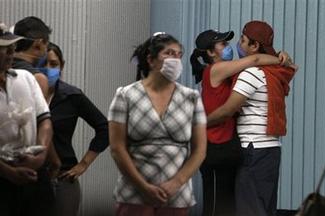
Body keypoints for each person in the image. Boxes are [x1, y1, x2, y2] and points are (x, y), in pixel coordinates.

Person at [190, 29, 292, 216]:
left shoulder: (234, 72)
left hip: (228, 147)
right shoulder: (215, 70)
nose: (231, 47)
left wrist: (281, 56)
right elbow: (254, 60)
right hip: (214, 146)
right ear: (211, 53)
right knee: (216, 207)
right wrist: (279, 59)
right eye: (224, 44)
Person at [108, 32, 207, 216]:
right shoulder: (125, 95)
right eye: (168, 54)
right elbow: (117, 147)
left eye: (178, 55)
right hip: (134, 193)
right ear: (151, 60)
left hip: (176, 196)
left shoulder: (191, 98)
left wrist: (176, 183)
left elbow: (200, 150)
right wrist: (143, 186)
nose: (175, 59)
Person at [42, 42, 109, 216]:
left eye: (54, 64)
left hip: (63, 176)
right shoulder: (26, 92)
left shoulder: (71, 96)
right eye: (43, 64)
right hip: (30, 175)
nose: (48, 69)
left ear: (62, 65)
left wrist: (83, 164)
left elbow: (104, 128)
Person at [0, 22, 53, 216]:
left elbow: (44, 120)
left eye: (12, 47)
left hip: (35, 173)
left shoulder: (25, 78)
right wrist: (8, 172)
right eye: (4, 49)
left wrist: (41, 153)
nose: (11, 52)